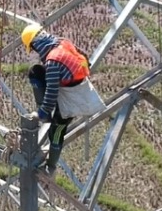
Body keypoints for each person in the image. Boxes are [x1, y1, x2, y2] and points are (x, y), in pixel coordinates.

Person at [22, 23, 105, 174]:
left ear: (36, 44)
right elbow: (84, 58)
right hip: (72, 86)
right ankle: (47, 114)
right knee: (36, 72)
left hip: (73, 97)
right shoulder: (62, 43)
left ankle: (50, 167)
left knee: (56, 131)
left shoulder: (53, 60)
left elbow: (52, 92)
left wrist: (42, 112)